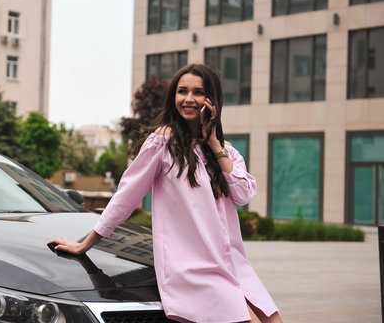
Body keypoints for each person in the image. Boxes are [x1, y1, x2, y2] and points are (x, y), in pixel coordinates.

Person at [48, 63, 283, 323]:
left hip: (234, 263)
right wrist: (86, 243)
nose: (189, 99)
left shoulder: (223, 149)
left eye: (198, 92)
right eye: (183, 91)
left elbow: (244, 194)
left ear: (211, 100)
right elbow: (126, 196)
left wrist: (215, 144)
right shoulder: (163, 142)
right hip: (195, 268)